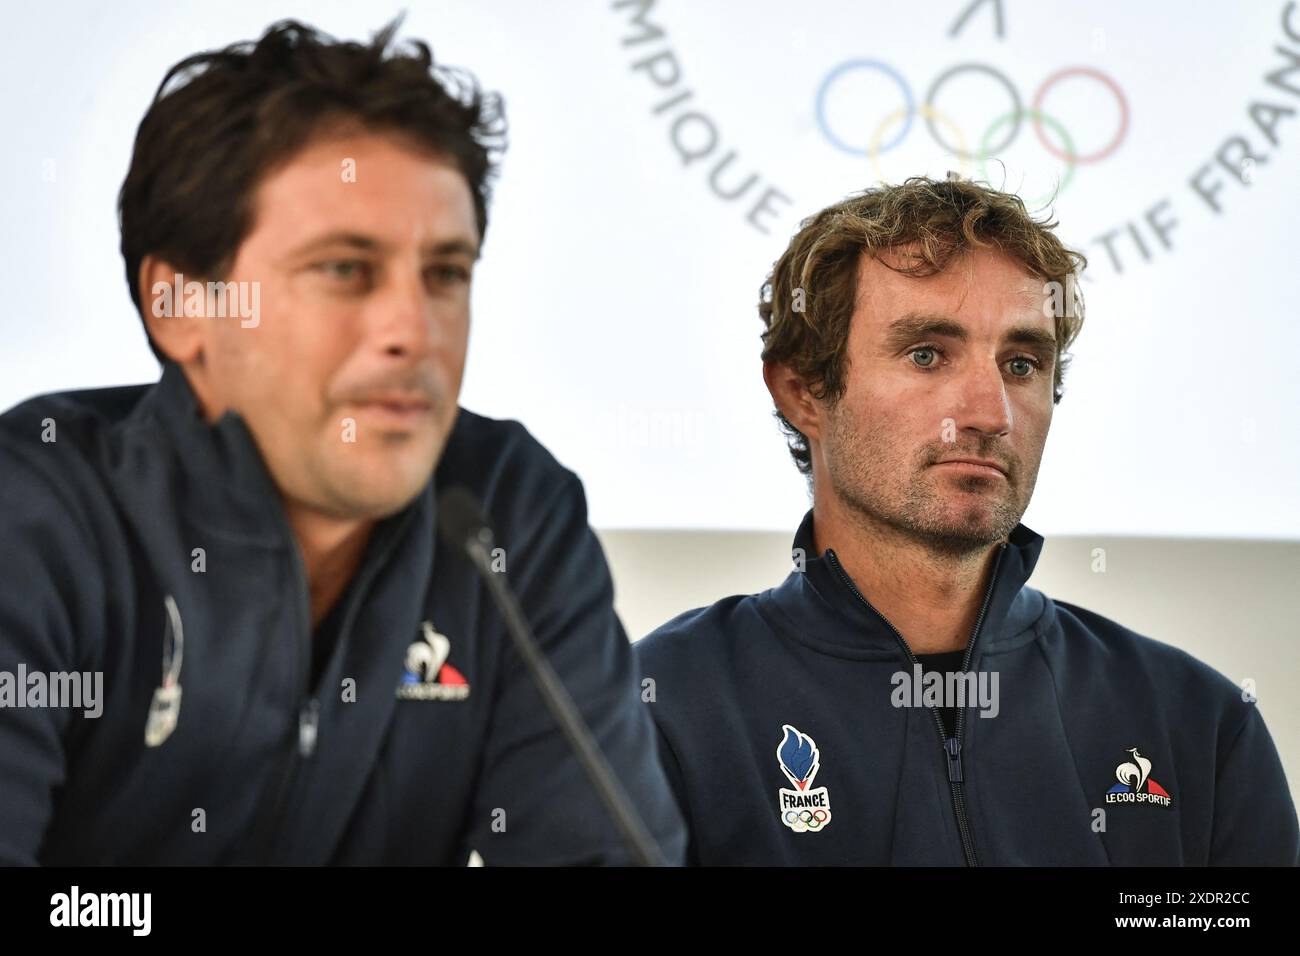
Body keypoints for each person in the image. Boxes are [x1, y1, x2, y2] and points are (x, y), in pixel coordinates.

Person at [0, 18, 685, 866]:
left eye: (444, 274)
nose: (412, 329)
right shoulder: (33, 512)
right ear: (179, 307)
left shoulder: (505, 510)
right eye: (344, 270)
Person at [635, 176, 1298, 865]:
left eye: (1021, 363)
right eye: (926, 355)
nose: (989, 414)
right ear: (804, 393)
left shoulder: (1195, 723)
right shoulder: (659, 712)